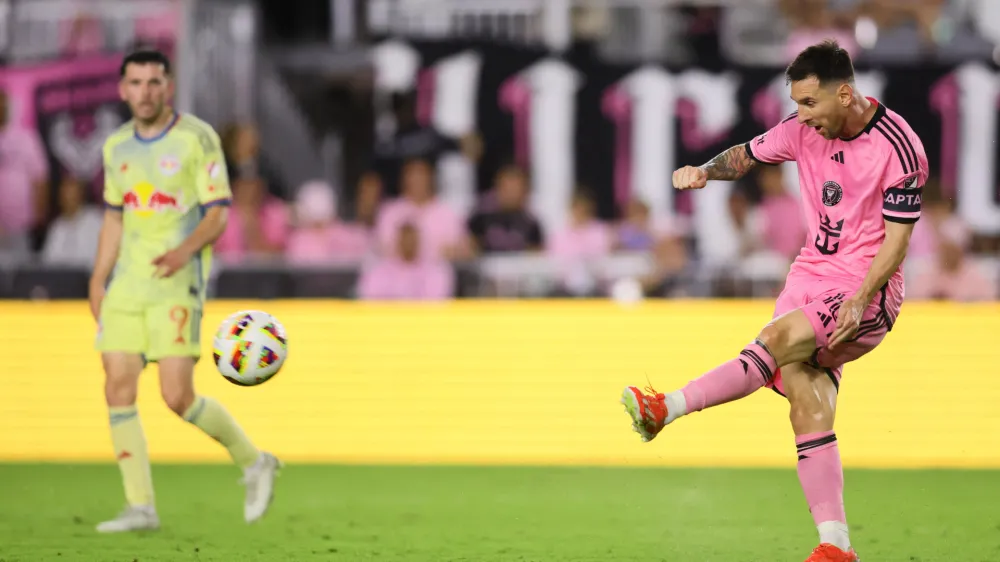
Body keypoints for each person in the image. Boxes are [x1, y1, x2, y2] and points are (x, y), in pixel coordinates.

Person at [620, 41, 927, 562]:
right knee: (808, 409)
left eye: (809, 103)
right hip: (807, 277)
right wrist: (704, 171)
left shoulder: (898, 146)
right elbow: (744, 155)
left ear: (845, 93)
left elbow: (897, 242)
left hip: (865, 289)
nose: (801, 116)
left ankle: (663, 408)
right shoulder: (800, 130)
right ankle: (837, 546)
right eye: (797, 104)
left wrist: (861, 298)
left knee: (774, 341)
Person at [88, 50, 280, 533]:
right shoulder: (116, 148)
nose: (145, 92)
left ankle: (254, 461)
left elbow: (218, 212)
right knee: (117, 384)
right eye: (136, 82)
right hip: (128, 284)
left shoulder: (197, 139)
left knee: (177, 397)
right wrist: (98, 276)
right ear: (122, 90)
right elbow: (115, 216)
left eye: (154, 82)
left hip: (178, 283)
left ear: (168, 86)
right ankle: (141, 507)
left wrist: (184, 252)